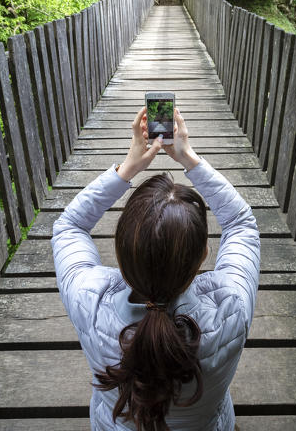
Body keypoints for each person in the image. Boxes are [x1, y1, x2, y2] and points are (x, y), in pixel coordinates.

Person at [51, 107, 260, 431]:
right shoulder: (230, 309)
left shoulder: (89, 301)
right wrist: (189, 159)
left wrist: (126, 169)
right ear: (203, 254)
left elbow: (68, 226)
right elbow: (241, 224)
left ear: (120, 257)